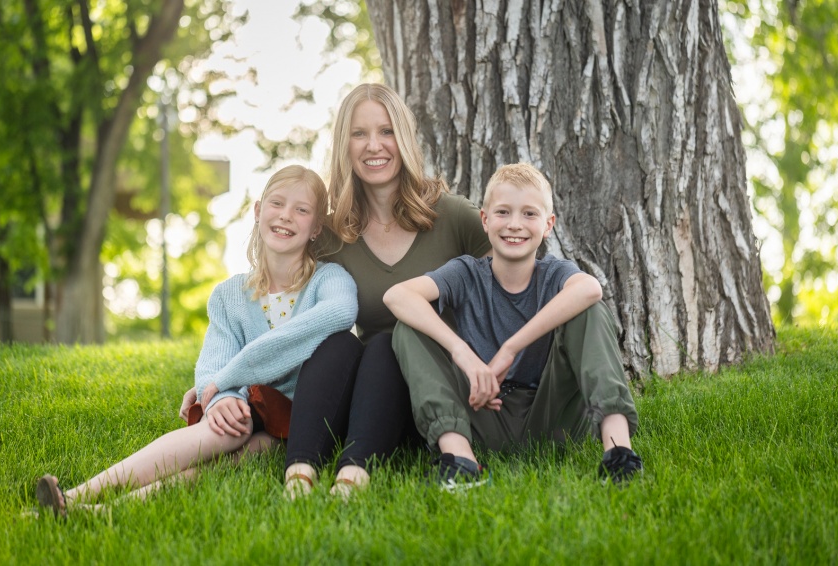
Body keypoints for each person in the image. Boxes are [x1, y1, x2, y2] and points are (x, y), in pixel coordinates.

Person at [35, 165, 360, 517]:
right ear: (258, 211)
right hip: (250, 405)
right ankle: (77, 497)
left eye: (302, 209)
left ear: (316, 228)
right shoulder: (229, 295)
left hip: (301, 420)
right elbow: (213, 364)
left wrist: (230, 377)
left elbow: (341, 312)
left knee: (243, 455)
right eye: (277, 203)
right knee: (226, 428)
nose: (286, 216)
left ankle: (102, 510)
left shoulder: (330, 280)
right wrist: (221, 396)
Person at [285, 83, 491, 496]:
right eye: (359, 134)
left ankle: (354, 477)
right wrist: (221, 383)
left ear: (405, 138)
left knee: (387, 342)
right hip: (373, 398)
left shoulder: (453, 216)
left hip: (441, 389)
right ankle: (299, 475)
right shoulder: (331, 234)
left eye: (386, 131)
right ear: (344, 145)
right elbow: (286, 316)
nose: (373, 146)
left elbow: (514, 282)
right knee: (339, 344)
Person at [384, 162, 643, 490]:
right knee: (410, 328)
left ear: (548, 225)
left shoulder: (554, 273)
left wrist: (511, 347)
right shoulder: (466, 273)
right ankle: (460, 460)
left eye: (529, 214)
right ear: (485, 220)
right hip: (482, 412)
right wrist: (463, 354)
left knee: (590, 311)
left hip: (552, 417)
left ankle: (619, 453)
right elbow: (397, 296)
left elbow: (591, 289)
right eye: (503, 212)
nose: (515, 225)